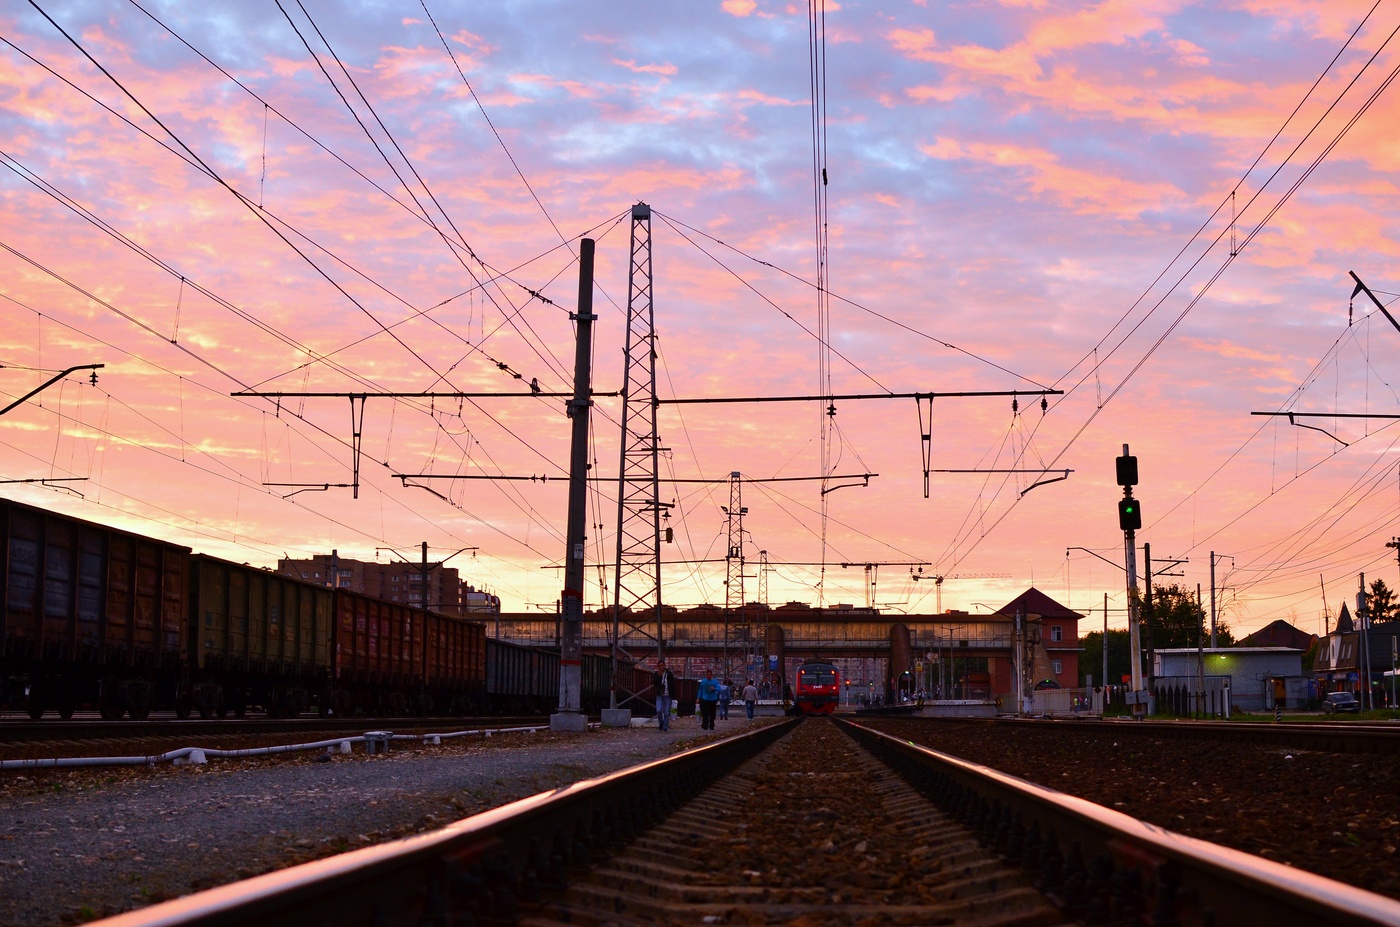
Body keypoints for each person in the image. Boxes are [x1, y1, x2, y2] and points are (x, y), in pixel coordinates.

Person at [652, 660, 676, 731]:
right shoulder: (656, 674)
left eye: (662, 665)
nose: (661, 667)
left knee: (666, 712)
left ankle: (665, 727)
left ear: (664, 665)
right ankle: (661, 722)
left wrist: (674, 696)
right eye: (659, 666)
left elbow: (673, 685)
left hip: (668, 695)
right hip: (660, 695)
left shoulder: (669, 674)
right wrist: (659, 676)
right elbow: (654, 683)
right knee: (659, 710)